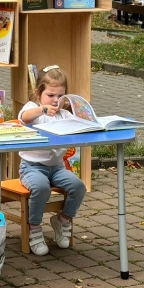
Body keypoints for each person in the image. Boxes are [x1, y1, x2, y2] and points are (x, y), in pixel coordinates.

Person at [17, 66, 87, 255]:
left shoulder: (64, 115)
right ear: (38, 93)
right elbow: (24, 117)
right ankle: (34, 228)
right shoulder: (33, 109)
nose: (56, 100)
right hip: (31, 167)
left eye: (61, 96)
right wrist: (43, 109)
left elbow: (77, 130)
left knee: (78, 186)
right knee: (41, 188)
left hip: (56, 168)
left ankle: (62, 220)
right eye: (50, 95)